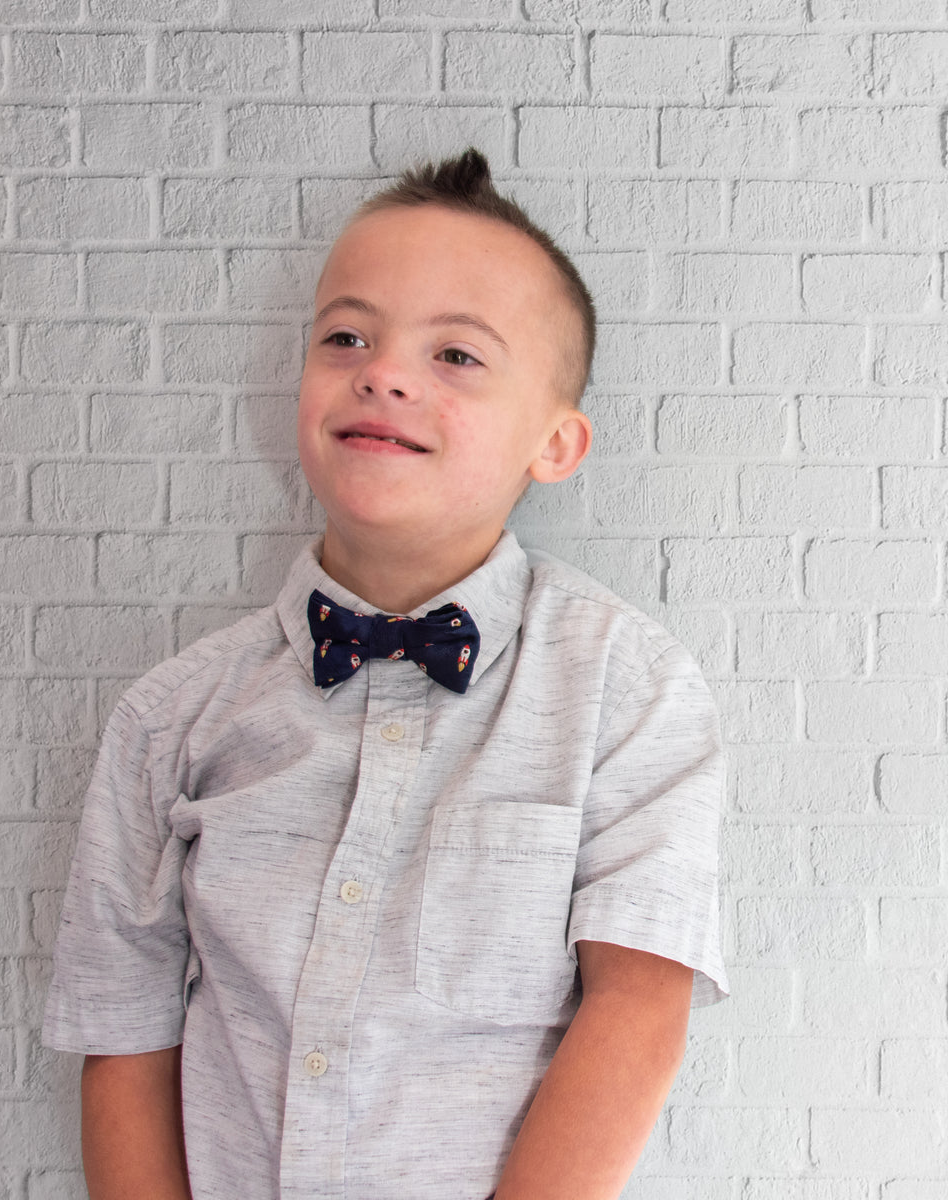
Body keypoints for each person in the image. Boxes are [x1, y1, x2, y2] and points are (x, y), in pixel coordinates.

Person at [42, 148, 728, 1200]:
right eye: (347, 338)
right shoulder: (171, 716)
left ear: (555, 443)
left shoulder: (628, 692)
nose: (384, 373)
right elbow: (122, 1031)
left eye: (456, 354)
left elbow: (638, 1009)